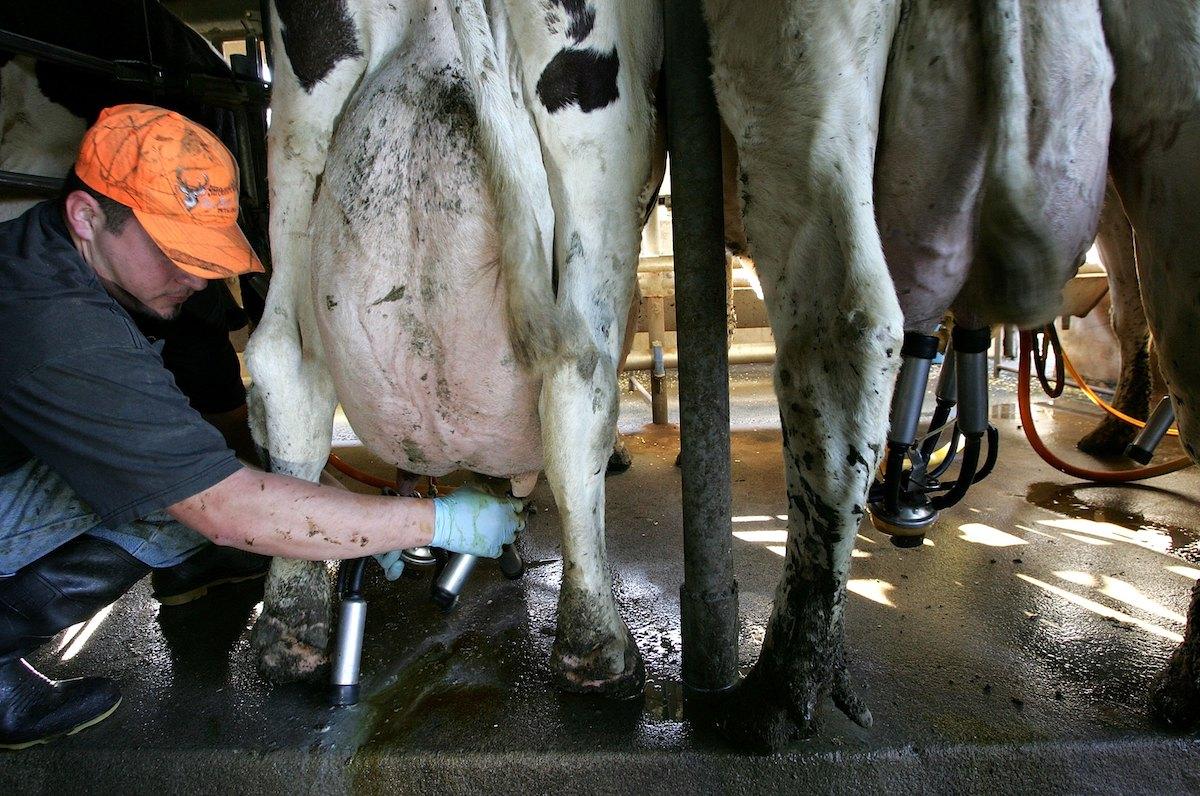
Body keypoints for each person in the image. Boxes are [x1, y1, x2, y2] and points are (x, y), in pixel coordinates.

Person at [0, 104, 524, 749]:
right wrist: (437, 523)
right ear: (87, 216)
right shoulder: (58, 327)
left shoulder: (54, 257)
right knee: (174, 503)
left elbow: (194, 445)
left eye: (204, 253)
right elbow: (226, 506)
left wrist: (350, 515)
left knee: (184, 476)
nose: (196, 277)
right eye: (174, 252)